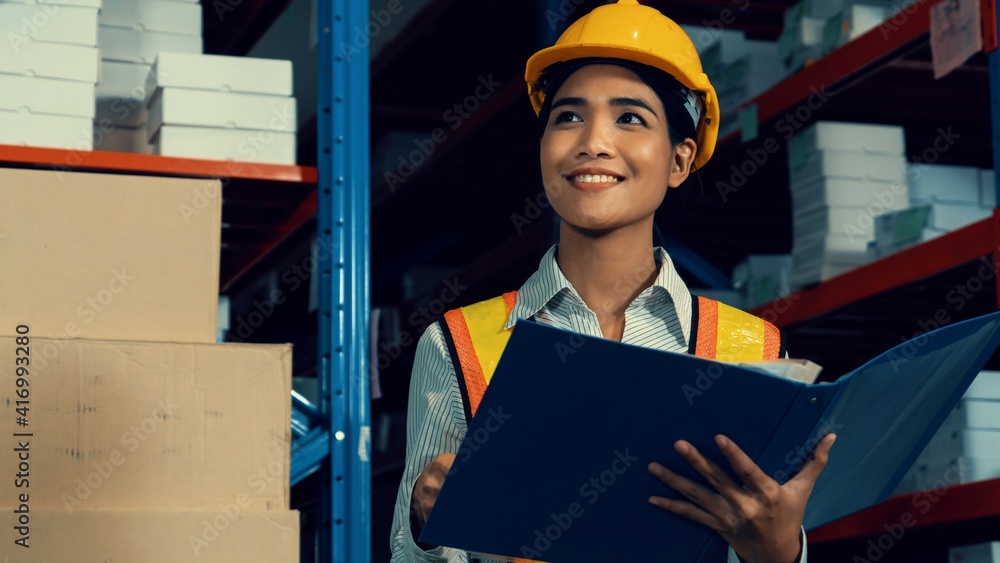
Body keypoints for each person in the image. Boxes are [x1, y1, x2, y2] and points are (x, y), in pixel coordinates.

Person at [390, 1, 836, 561]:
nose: (593, 142)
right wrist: (425, 524)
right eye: (568, 116)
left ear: (680, 160)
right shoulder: (458, 345)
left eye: (630, 118)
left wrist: (779, 553)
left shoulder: (753, 351)